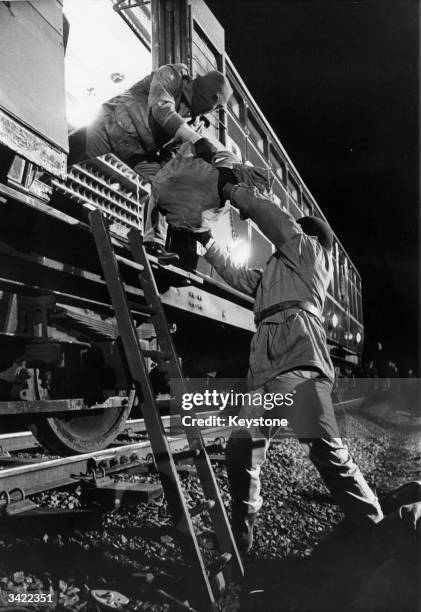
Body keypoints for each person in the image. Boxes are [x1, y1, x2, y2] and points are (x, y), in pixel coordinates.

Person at [197, 183, 383, 552]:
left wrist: (236, 192)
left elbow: (277, 221)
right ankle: (242, 531)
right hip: (268, 367)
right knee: (243, 446)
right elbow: (238, 275)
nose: (286, 237)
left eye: (295, 231)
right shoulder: (278, 270)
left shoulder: (308, 251)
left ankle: (373, 522)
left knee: (326, 450)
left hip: (300, 360)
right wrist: (208, 241)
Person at [68, 64, 232, 264]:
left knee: (165, 185)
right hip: (110, 125)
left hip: (137, 150)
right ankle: (40, 173)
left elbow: (170, 153)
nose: (214, 110)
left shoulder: (194, 121)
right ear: (212, 98)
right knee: (70, 151)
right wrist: (196, 139)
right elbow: (161, 109)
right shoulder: (173, 75)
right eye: (217, 106)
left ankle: (154, 244)